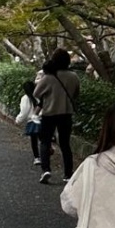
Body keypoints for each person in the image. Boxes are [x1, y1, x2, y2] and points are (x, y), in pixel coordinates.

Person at [34, 49, 82, 183]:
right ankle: (67, 174)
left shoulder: (48, 77)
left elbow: (36, 93)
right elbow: (76, 94)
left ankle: (46, 170)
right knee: (65, 144)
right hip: (66, 113)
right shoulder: (73, 76)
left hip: (49, 113)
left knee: (45, 141)